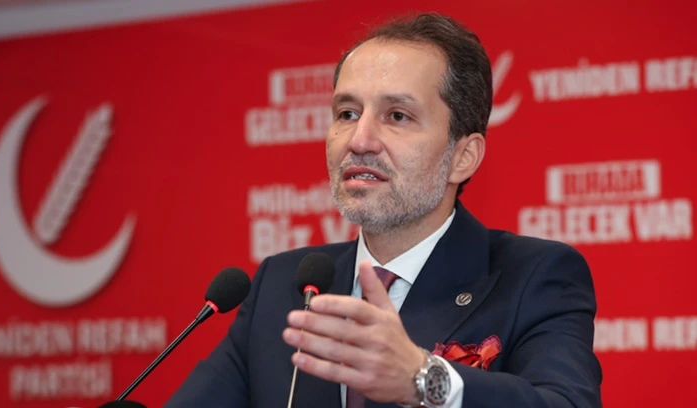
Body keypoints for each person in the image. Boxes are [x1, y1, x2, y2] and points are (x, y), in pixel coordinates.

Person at [166, 12, 602, 408]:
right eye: (347, 113)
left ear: (462, 157)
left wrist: (423, 379)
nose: (359, 140)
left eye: (396, 116)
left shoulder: (534, 277)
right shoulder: (281, 286)